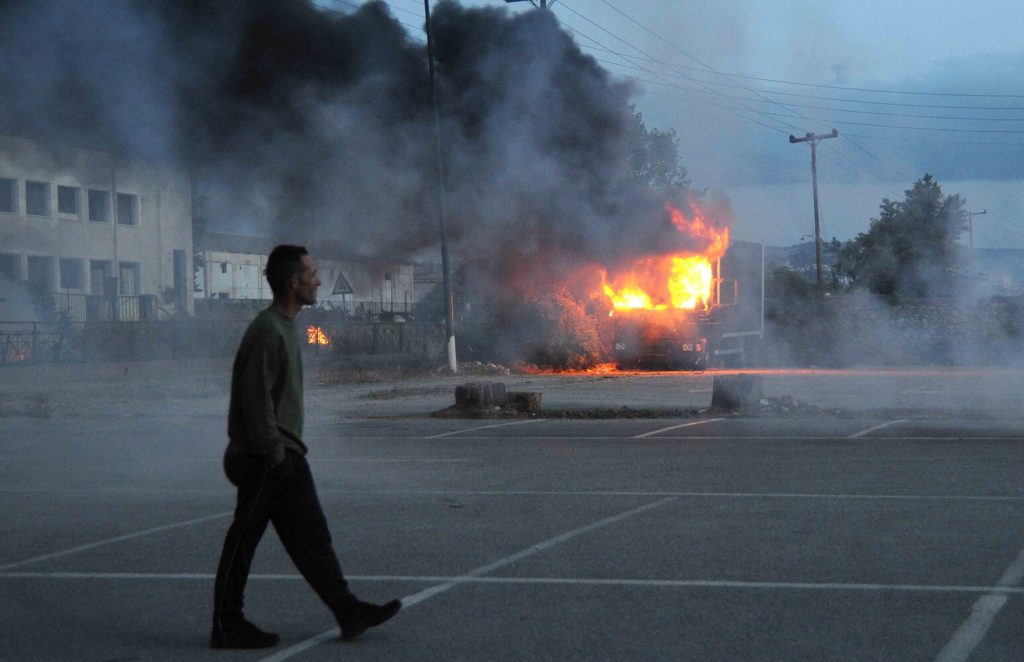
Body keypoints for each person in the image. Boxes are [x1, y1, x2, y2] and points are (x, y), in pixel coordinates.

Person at [211, 245, 401, 649]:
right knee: (244, 539)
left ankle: (349, 612)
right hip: (266, 457)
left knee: (311, 538)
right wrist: (272, 454)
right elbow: (254, 398)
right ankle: (227, 623)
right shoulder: (266, 330)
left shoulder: (284, 326)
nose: (318, 280)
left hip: (285, 454)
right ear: (293, 282)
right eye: (312, 273)